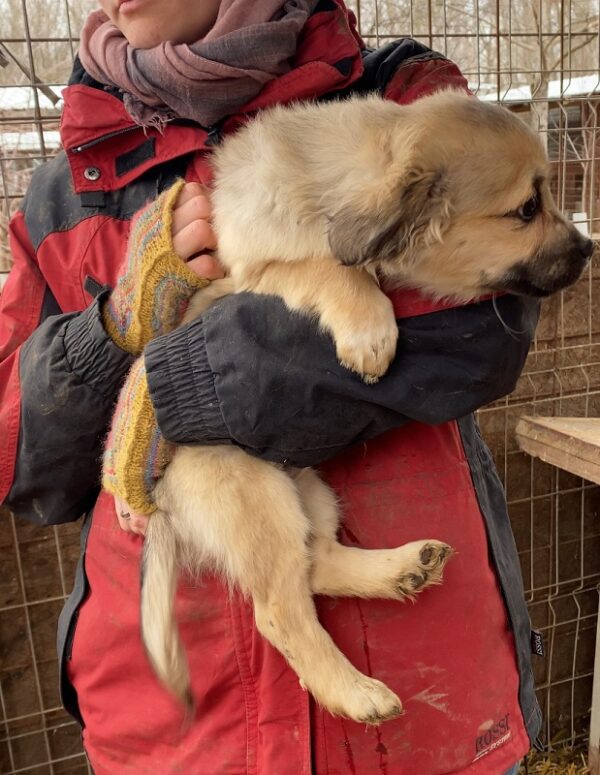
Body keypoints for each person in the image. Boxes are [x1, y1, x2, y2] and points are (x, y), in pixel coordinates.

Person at [0, 0, 541, 772]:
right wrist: (113, 329)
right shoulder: (66, 191)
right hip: (173, 736)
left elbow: (477, 327)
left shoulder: (402, 100)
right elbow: (19, 459)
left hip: (424, 719)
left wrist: (177, 380)